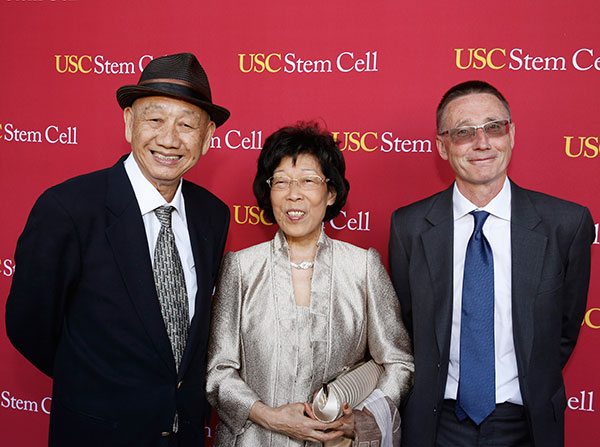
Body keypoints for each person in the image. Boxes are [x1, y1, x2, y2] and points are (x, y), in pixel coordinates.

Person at [5, 53, 230, 447]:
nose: (169, 139)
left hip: (186, 435)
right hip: (96, 432)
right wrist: (97, 382)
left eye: (187, 125)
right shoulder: (68, 209)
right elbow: (29, 326)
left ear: (208, 136)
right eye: (155, 120)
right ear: (129, 122)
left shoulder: (213, 214)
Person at [389, 80, 594, 447]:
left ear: (511, 134)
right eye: (463, 132)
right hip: (437, 425)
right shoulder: (409, 226)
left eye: (493, 127)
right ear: (442, 145)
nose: (481, 142)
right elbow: (409, 324)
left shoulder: (566, 224)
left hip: (527, 426)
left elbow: (562, 331)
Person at [206, 122, 414, 446]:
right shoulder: (241, 267)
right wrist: (269, 415)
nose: (294, 194)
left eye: (307, 180)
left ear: (330, 193)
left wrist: (360, 421)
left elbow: (398, 363)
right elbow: (218, 372)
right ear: (268, 191)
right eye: (281, 182)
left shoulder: (363, 267)